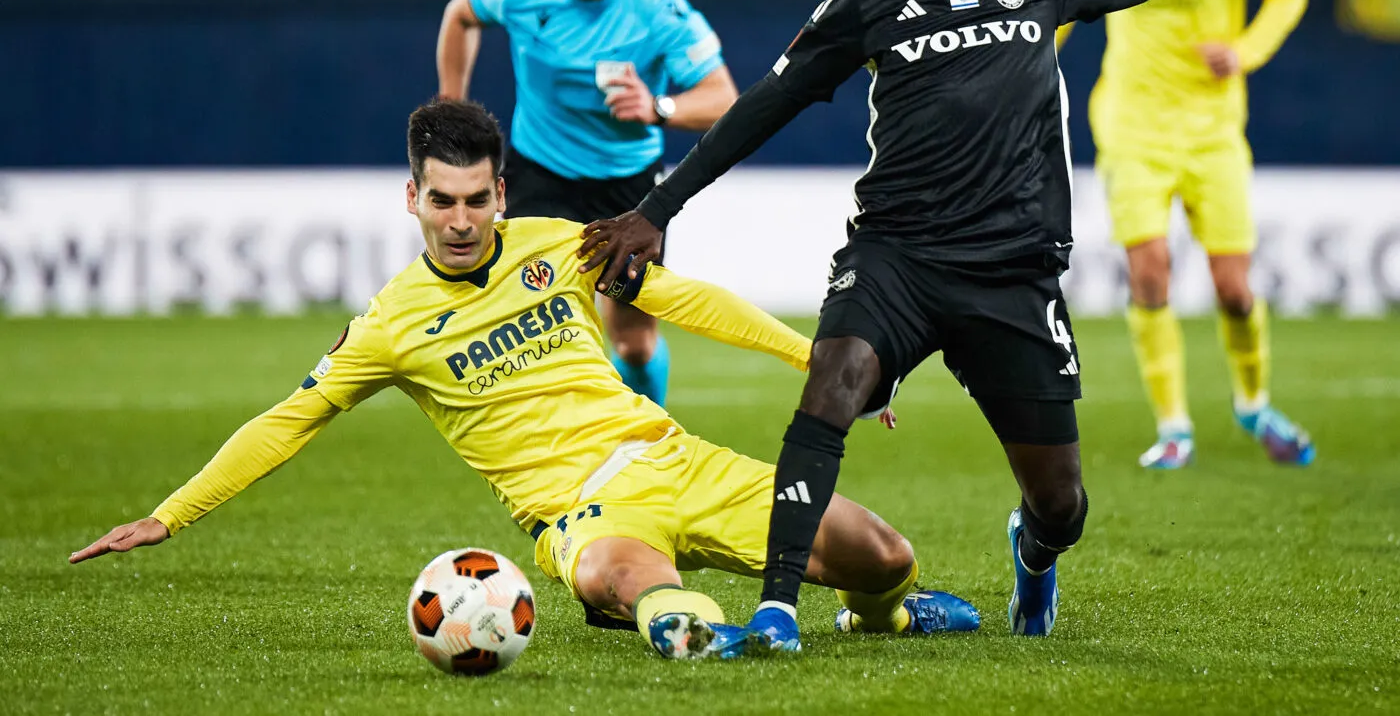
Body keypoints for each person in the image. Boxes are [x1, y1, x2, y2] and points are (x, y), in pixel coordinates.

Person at [580, 0, 1244, 650]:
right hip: (895, 255)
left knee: (1062, 503)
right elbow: (764, 105)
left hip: (1012, 271)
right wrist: (661, 205)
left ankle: (1033, 556)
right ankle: (779, 607)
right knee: (831, 386)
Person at [69, 101, 979, 661]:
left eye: (476, 199)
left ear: (501, 192)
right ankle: (685, 625)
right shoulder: (390, 324)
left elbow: (690, 301)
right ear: (412, 198)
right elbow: (290, 419)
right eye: (441, 200)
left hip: (676, 457)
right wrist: (171, 512)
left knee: (886, 556)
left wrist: (815, 361)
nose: (460, 221)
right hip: (581, 513)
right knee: (630, 578)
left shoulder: (562, 244)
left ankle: (879, 621)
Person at [1056, 0, 1312, 471]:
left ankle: (1253, 402)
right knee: (1149, 274)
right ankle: (1174, 426)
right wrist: (1023, 66)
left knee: (1234, 288)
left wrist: (1246, 50)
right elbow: (1059, 10)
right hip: (1131, 129)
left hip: (1213, 131)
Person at [436, 0, 739, 410]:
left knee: (634, 341)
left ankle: (647, 449)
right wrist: (452, 103)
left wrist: (657, 107)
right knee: (531, 337)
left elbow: (723, 98)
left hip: (627, 190)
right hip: (538, 177)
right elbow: (461, 13)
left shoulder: (658, 6)